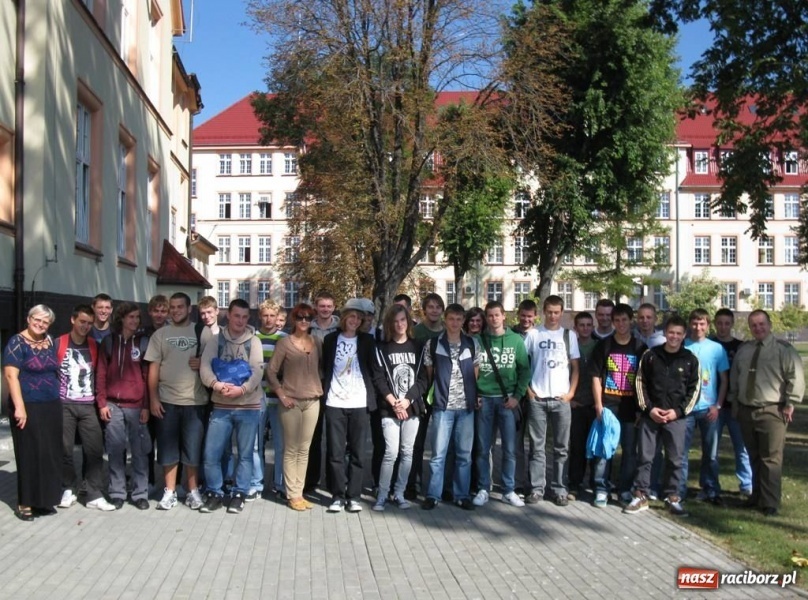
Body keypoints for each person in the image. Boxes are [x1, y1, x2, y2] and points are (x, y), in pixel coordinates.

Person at [729, 310, 805, 516]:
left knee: (770, 458)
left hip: (772, 410)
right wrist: (734, 402)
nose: (758, 328)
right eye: (753, 325)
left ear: (769, 325)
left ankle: (770, 502)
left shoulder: (783, 349)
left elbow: (795, 377)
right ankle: (756, 496)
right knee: (753, 456)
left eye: (761, 324)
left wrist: (791, 402)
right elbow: (736, 377)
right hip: (746, 410)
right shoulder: (744, 350)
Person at [623, 315, 700, 517]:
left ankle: (672, 497)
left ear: (684, 335)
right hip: (651, 416)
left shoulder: (690, 359)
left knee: (675, 459)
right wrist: (649, 409)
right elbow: (640, 384)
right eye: (671, 332)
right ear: (665, 333)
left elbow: (694, 390)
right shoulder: (650, 356)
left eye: (678, 333)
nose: (674, 336)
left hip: (676, 417)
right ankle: (640, 495)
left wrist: (678, 411)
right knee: (645, 456)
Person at [198, 299, 265, 515]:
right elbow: (205, 365)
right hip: (221, 405)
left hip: (248, 406)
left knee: (245, 454)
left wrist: (242, 390)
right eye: (237, 316)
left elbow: (257, 371)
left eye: (245, 317)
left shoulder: (254, 341)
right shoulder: (216, 340)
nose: (241, 321)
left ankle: (239, 494)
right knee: (212, 454)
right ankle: (215, 492)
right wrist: (215, 384)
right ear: (229, 315)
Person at [145, 293, 210, 511]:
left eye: (179, 307)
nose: (175, 310)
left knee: (192, 451)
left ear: (188, 308)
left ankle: (192, 491)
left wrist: (202, 362)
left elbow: (214, 362)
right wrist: (153, 398)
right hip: (167, 401)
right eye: (172, 307)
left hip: (195, 401)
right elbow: (153, 368)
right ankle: (170, 492)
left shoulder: (203, 332)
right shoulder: (160, 334)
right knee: (167, 451)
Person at [2, 305, 63, 520]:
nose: (41, 324)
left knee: (48, 454)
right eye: (37, 319)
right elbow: (11, 377)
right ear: (29, 319)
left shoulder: (49, 340)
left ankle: (44, 500)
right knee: (29, 454)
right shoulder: (16, 343)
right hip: (28, 405)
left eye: (45, 322)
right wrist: (19, 407)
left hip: (51, 404)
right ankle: (25, 502)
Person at [56, 304, 115, 511]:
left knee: (94, 450)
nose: (85, 326)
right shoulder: (59, 343)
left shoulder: (93, 346)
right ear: (73, 320)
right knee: (65, 450)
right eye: (82, 322)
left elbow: (100, 376)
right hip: (65, 404)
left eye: (89, 323)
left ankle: (94, 494)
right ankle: (68, 489)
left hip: (88, 405)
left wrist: (101, 403)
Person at [422, 304, 480, 510]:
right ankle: (433, 495)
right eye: (451, 319)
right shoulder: (433, 344)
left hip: (466, 408)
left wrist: (473, 396)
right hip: (442, 407)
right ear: (445, 320)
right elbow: (430, 372)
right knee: (438, 454)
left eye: (459, 319)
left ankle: (461, 495)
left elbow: (475, 371)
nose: (455, 323)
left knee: (464, 454)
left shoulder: (471, 343)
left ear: (463, 321)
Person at [472, 301, 531, 508]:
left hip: (507, 401)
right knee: (482, 448)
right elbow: (470, 371)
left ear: (504, 316)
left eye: (497, 315)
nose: (493, 319)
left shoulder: (515, 340)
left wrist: (517, 396)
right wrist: (475, 394)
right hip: (485, 399)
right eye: (490, 315)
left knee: (509, 448)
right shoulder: (478, 340)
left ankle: (508, 489)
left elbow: (525, 370)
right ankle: (482, 488)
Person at [371, 304, 429, 511]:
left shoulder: (418, 346)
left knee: (407, 452)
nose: (399, 324)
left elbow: (423, 379)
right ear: (390, 323)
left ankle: (400, 493)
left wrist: (407, 400)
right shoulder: (381, 347)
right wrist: (394, 402)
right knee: (391, 452)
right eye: (395, 321)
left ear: (408, 321)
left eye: (403, 320)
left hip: (411, 407)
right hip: (389, 408)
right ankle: (382, 494)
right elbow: (379, 379)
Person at [267, 303, 323, 511]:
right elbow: (271, 372)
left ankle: (300, 492)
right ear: (293, 319)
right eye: (300, 317)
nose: (304, 321)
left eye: (308, 318)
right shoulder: (285, 343)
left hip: (312, 401)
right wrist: (281, 394)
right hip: (290, 401)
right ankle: (293, 494)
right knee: (291, 449)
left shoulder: (316, 341)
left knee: (304, 449)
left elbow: (322, 368)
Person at [322, 299, 377, 513]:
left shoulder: (366, 341)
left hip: (359, 402)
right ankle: (337, 495)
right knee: (335, 452)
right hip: (334, 401)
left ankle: (353, 496)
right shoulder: (330, 340)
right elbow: (325, 367)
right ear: (344, 318)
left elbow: (373, 370)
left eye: (358, 318)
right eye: (351, 317)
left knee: (358, 452)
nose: (354, 321)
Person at [524, 295, 579, 506]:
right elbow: (522, 365)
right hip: (538, 398)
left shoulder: (568, 335)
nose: (553, 316)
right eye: (550, 312)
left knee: (561, 447)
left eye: (557, 312)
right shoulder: (534, 334)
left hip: (561, 399)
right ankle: (537, 489)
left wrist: (571, 393)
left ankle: (559, 489)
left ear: (562, 313)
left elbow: (575, 367)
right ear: (544, 312)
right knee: (537, 447)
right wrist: (529, 391)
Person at [96, 302, 151, 510]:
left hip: (137, 405)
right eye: (131, 317)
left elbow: (148, 377)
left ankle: (140, 493)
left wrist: (146, 405)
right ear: (121, 319)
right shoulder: (109, 342)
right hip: (113, 404)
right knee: (115, 450)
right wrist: (102, 402)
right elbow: (100, 374)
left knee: (139, 451)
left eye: (137, 317)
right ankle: (117, 492)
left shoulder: (144, 343)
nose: (135, 321)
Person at [590, 304, 646, 507]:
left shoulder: (640, 348)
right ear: (613, 322)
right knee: (605, 449)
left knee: (629, 451)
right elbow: (595, 376)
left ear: (631, 321)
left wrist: (642, 408)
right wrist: (598, 404)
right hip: (609, 405)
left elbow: (645, 380)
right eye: (617, 320)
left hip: (631, 407)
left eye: (625, 320)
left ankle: (624, 489)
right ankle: (601, 488)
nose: (621, 324)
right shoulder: (604, 345)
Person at [680, 308, 729, 504]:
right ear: (689, 325)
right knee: (681, 452)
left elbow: (724, 379)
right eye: (694, 323)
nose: (698, 327)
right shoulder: (683, 346)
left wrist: (717, 405)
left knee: (711, 452)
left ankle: (710, 489)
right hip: (687, 409)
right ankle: (679, 489)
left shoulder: (716, 349)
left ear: (708, 326)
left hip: (709, 408)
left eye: (702, 324)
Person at [407, 293, 446, 500]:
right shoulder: (416, 332)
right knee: (417, 441)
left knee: (441, 443)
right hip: (421, 391)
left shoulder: (448, 331)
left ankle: (440, 486)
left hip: (442, 392)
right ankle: (412, 483)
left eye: (438, 307)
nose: (434, 310)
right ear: (424, 309)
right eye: (430, 307)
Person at [711, 308, 752, 498]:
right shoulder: (710, 344)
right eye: (719, 323)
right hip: (714, 405)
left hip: (735, 404)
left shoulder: (740, 347)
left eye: (727, 323)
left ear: (732, 324)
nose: (723, 327)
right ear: (715, 323)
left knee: (741, 447)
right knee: (712, 448)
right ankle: (711, 484)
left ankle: (746, 484)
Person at [256, 299, 288, 499]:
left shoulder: (285, 338)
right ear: (260, 316)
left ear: (278, 318)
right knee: (255, 444)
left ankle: (280, 483)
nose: (268, 319)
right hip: (257, 397)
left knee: (280, 445)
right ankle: (257, 482)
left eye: (272, 316)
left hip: (278, 398)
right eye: (265, 315)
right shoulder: (253, 337)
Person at [567, 311, 598, 500]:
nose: (585, 328)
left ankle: (596, 483)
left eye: (588, 325)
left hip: (594, 405)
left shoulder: (599, 346)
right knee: (577, 447)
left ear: (592, 327)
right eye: (582, 325)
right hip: (576, 404)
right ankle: (574, 484)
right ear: (575, 328)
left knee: (595, 447)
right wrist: (570, 398)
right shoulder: (571, 347)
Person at [512, 298, 538, 496]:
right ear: (518, 314)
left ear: (535, 317)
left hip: (538, 395)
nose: (526, 319)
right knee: (517, 442)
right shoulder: (511, 334)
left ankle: (536, 483)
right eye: (523, 315)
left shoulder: (540, 335)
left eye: (529, 316)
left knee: (537, 443)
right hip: (519, 395)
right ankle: (519, 482)